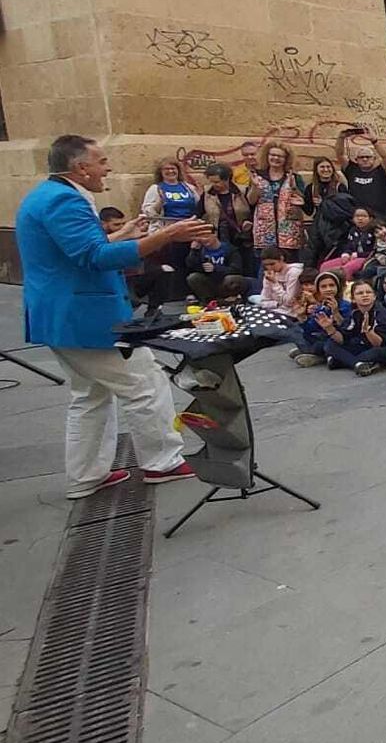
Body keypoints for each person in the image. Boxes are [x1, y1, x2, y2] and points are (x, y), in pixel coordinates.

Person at [17, 135, 209, 498]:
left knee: (89, 395)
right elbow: (94, 258)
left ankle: (86, 475)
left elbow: (77, 251)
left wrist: (122, 234)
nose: (108, 168)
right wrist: (165, 236)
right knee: (145, 382)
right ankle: (162, 462)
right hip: (85, 317)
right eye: (102, 161)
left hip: (65, 315)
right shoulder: (64, 200)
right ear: (81, 167)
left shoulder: (47, 196)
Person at [138, 156, 203, 308]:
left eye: (173, 168)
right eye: (166, 169)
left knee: (190, 260)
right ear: (160, 172)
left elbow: (199, 206)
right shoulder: (156, 189)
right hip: (168, 230)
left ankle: (191, 292)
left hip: (188, 228)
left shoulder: (187, 187)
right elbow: (148, 211)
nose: (170, 171)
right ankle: (175, 296)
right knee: (173, 263)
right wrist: (160, 202)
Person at [323, 279, 386, 375]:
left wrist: (368, 331)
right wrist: (329, 328)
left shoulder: (382, 314)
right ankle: (358, 364)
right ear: (353, 299)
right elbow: (343, 338)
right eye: (360, 293)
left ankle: (345, 361)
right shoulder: (355, 313)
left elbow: (379, 344)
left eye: (368, 292)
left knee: (372, 353)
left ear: (374, 297)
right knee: (330, 344)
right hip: (362, 345)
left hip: (384, 348)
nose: (365, 295)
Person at [196, 162, 254, 271]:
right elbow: (198, 213)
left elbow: (253, 210)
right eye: (211, 181)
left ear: (227, 179)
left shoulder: (242, 191)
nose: (214, 185)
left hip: (241, 237)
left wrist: (249, 222)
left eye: (217, 182)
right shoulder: (207, 193)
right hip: (218, 237)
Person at [184, 226, 248, 303]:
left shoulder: (229, 249)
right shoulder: (200, 250)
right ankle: (209, 300)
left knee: (233, 279)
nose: (204, 240)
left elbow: (237, 269)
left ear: (215, 234)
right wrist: (193, 251)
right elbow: (191, 267)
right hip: (209, 283)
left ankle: (231, 298)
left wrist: (216, 268)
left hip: (224, 281)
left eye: (206, 236)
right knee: (193, 277)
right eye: (201, 237)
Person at [338, 134, 386, 222]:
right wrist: (341, 137)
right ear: (356, 159)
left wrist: (374, 141)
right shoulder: (352, 170)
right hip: (357, 218)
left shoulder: (380, 171)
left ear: (374, 159)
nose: (364, 159)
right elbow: (340, 155)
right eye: (361, 157)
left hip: (379, 217)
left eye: (368, 157)